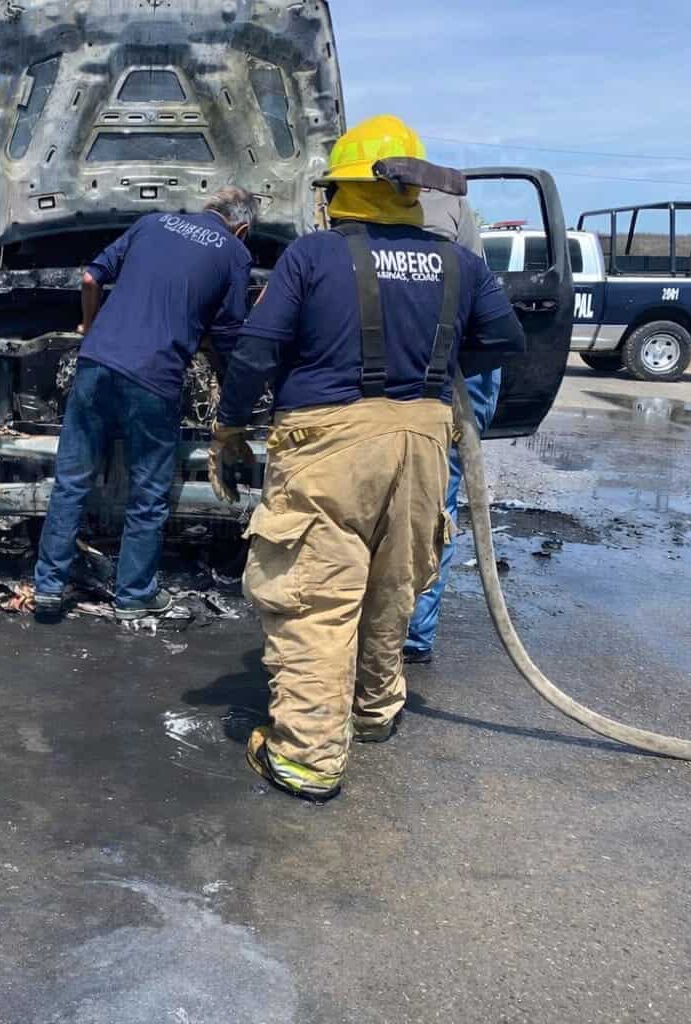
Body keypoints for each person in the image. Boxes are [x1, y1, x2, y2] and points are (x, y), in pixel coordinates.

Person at [208, 115, 526, 802]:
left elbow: (256, 350)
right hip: (420, 441)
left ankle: (309, 756)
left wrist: (230, 430)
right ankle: (374, 711)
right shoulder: (460, 262)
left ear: (344, 191)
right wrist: (431, 363)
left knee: (318, 596)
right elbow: (505, 340)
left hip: (326, 445)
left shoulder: (312, 256)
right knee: (392, 583)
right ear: (410, 190)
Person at [32, 187, 257, 621]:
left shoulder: (151, 222)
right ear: (241, 227)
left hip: (95, 364)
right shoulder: (233, 252)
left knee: (71, 480)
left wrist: (91, 328)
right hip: (154, 378)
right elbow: (231, 335)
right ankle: (134, 595)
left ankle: (47, 588)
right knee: (148, 493)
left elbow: (89, 278)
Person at [404, 192, 504, 664]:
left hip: (456, 377)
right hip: (454, 371)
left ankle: (410, 635)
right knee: (420, 505)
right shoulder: (450, 210)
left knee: (430, 506)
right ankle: (404, 631)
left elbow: (501, 335)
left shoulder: (443, 226)